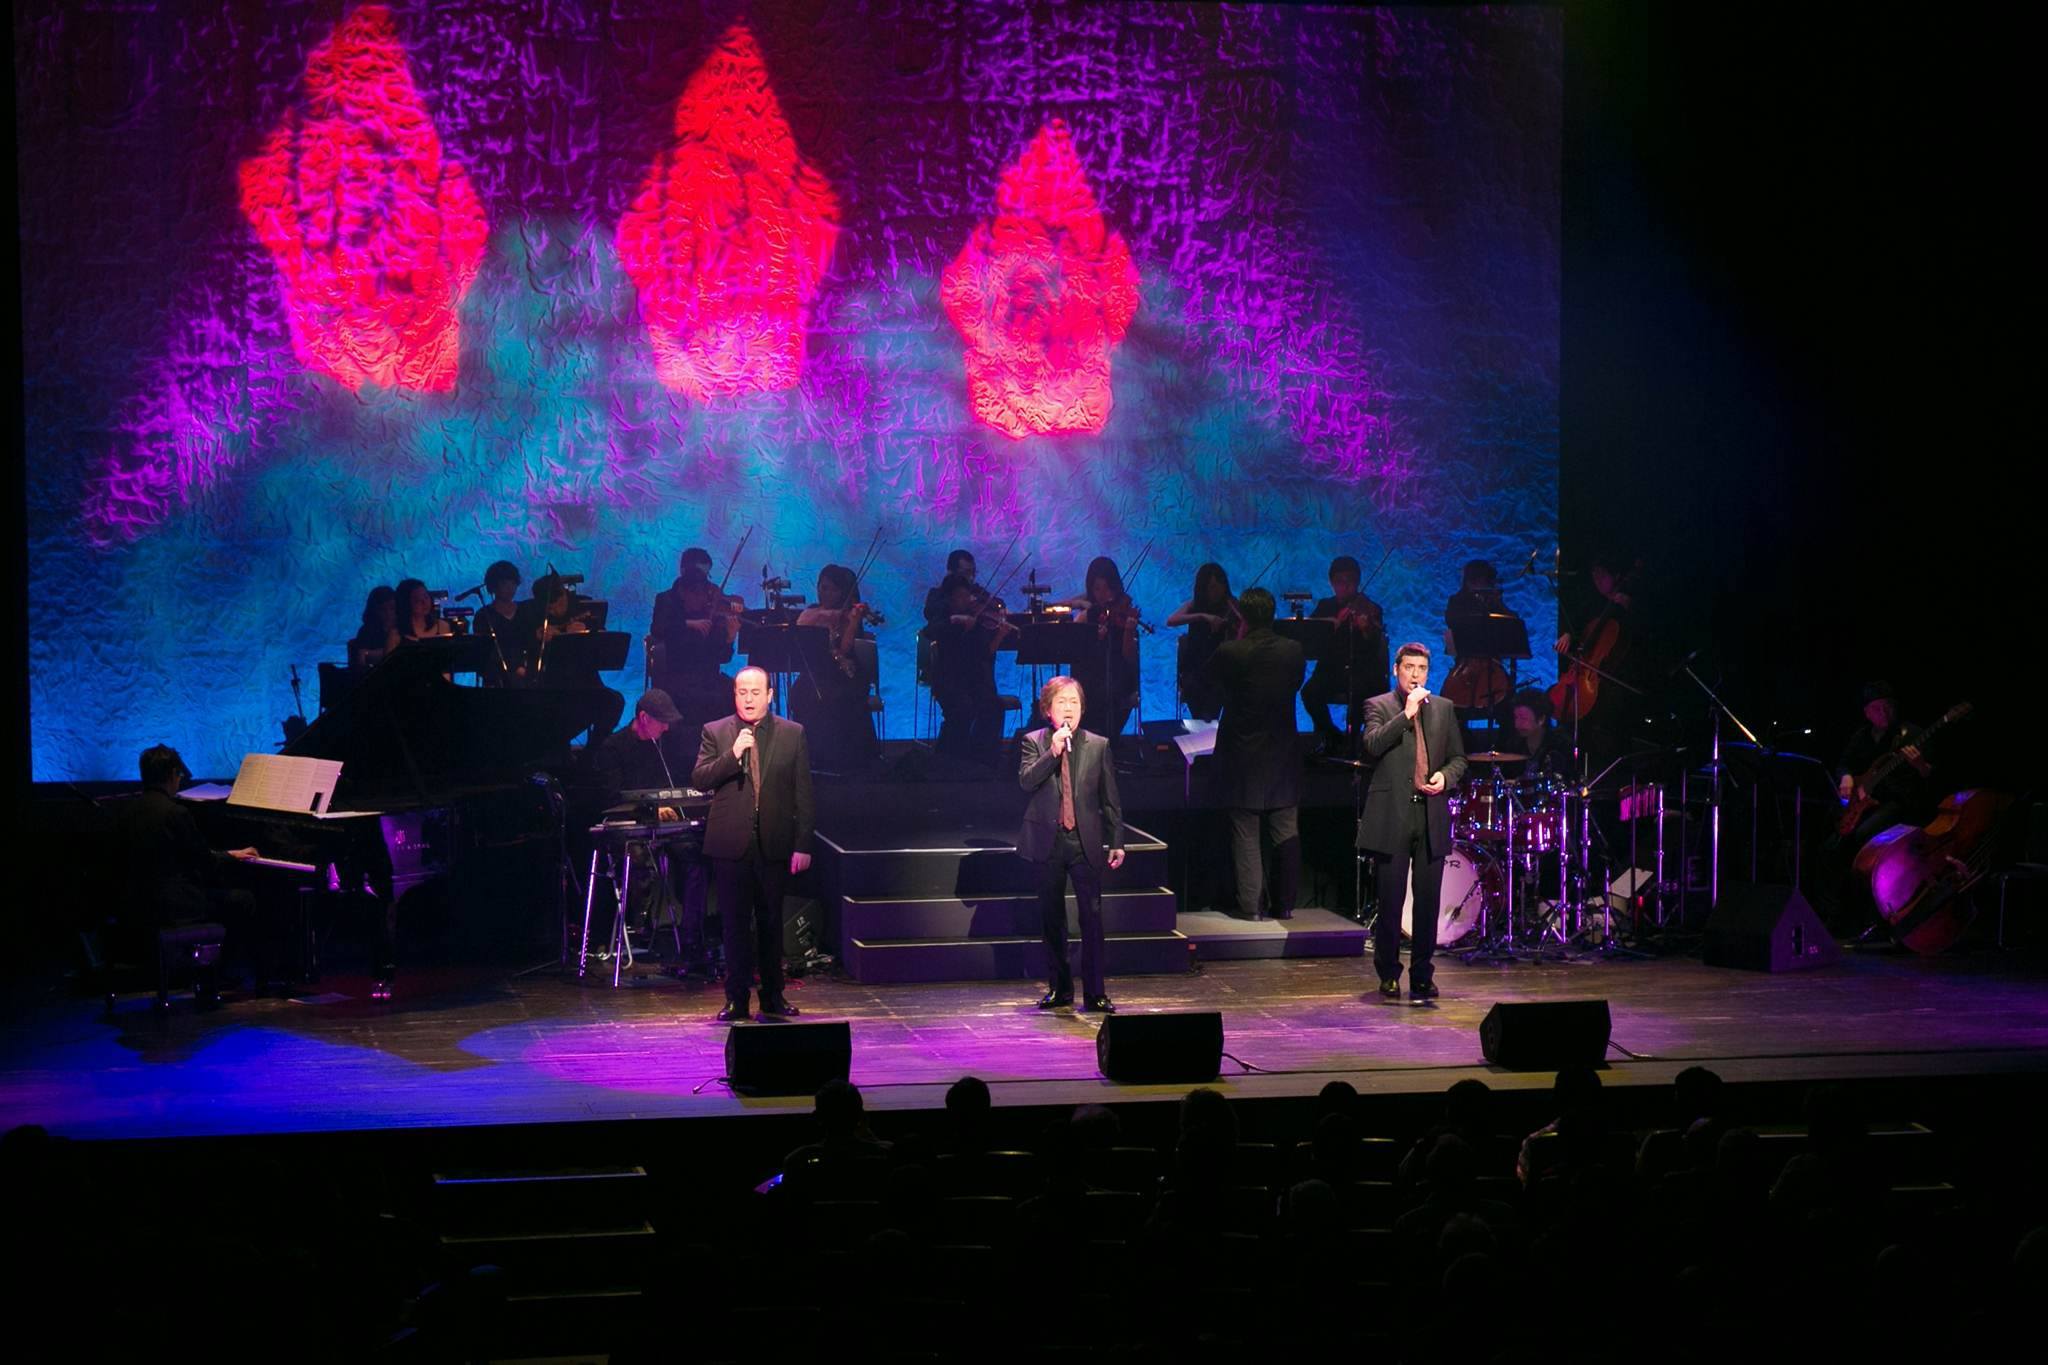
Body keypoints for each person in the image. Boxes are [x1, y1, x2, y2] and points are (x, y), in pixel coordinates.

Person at [693, 667, 814, 1022]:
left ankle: (773, 996)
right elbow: (700, 779)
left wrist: (803, 843)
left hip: (774, 842)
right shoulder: (715, 731)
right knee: (734, 925)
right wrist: (732, 755)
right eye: (742, 692)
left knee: (771, 923)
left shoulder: (793, 733)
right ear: (734, 695)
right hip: (731, 844)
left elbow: (804, 793)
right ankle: (736, 999)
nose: (748, 699)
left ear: (770, 695)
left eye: (755, 692)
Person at [106, 745, 265, 1003]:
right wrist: (230, 856)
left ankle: (207, 973)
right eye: (179, 775)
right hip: (171, 907)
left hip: (132, 905)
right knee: (243, 900)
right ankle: (217, 975)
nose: (179, 780)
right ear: (171, 774)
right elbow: (203, 862)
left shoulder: (125, 811)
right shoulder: (175, 813)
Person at [1356, 643, 1467, 1002]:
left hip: (1430, 813)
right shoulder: (1378, 705)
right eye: (1409, 667)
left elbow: (1459, 758)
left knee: (1428, 902)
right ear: (1396, 669)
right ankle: (1389, 973)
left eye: (1421, 668)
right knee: (1390, 900)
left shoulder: (1444, 708)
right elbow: (1372, 744)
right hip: (1393, 814)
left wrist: (1445, 778)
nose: (1415, 675)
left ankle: (1422, 975)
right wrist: (1406, 714)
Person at [1016, 676, 1126, 1013]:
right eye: (1062, 702)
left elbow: (1110, 798)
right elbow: (1026, 781)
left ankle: (1095, 992)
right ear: (1048, 710)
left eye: (1074, 702)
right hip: (1047, 842)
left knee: (1092, 918)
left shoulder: (1098, 745)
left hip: (1084, 840)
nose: (1069, 708)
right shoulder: (1034, 742)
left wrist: (1116, 840)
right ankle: (1060, 989)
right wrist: (1053, 752)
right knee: (1052, 918)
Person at [584, 689, 709, 970]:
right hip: (627, 827)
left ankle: (691, 936)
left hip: (660, 825)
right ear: (643, 718)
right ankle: (637, 927)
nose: (666, 728)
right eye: (661, 722)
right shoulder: (612, 749)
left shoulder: (660, 745)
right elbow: (613, 797)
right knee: (639, 859)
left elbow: (669, 786)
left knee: (694, 855)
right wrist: (651, 809)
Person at [1205, 587, 1306, 919]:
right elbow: (1294, 685)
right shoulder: (1293, 651)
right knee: (1285, 832)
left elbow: (1207, 688)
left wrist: (1236, 637)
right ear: (1273, 613)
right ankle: (1284, 905)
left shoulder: (1231, 651)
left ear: (1243, 617)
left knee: (1245, 833)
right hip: (1283, 755)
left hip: (1242, 756)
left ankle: (1251, 909)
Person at [794, 564, 881, 771]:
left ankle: (842, 758)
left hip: (844, 672)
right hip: (816, 672)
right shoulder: (811, 613)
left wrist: (852, 623)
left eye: (832, 589)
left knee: (840, 696)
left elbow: (844, 649)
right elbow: (802, 635)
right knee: (801, 692)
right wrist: (827, 617)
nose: (825, 593)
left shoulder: (849, 615)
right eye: (822, 588)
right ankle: (812, 755)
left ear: (842, 592)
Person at [1301, 555, 1388, 755]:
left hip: (1361, 670)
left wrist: (1365, 630)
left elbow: (1375, 646)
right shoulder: (1325, 605)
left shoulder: (1371, 607)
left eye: (1350, 581)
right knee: (1309, 692)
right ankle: (1332, 735)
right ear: (1332, 583)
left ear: (1357, 582)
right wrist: (1331, 625)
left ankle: (1354, 743)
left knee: (1360, 693)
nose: (1345, 586)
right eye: (1340, 581)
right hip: (1330, 670)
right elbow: (1312, 637)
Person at [650, 548, 742, 725]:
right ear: (684, 571)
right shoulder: (666, 600)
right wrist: (688, 623)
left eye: (707, 575)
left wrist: (730, 637)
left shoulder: (712, 604)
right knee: (704, 700)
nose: (705, 583)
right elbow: (658, 629)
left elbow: (722, 658)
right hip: (677, 676)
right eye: (700, 575)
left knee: (735, 696)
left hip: (709, 676)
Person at [929, 571, 1012, 766]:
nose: (967, 600)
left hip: (971, 681)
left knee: (993, 706)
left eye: (968, 596)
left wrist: (1000, 635)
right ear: (950, 599)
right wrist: (957, 621)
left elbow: (985, 653)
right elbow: (930, 631)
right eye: (961, 596)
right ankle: (950, 758)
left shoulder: (976, 623)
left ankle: (982, 757)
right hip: (949, 681)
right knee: (963, 708)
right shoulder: (943, 619)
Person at [1072, 556, 1142, 742]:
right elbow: (1075, 650)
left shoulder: (1123, 612)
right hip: (1092, 677)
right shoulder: (1088, 614)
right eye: (1097, 589)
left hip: (1119, 677)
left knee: (1111, 693)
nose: (1103, 595)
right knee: (1084, 692)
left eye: (1108, 588)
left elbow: (1129, 657)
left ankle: (1107, 743)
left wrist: (1128, 631)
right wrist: (1091, 636)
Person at [1169, 562, 1241, 722]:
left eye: (1219, 585)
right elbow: (1172, 620)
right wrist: (1202, 616)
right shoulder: (1195, 605)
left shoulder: (1231, 605)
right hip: (1196, 668)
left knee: (1214, 702)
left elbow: (1242, 629)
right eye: (1211, 587)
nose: (1217, 591)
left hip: (1220, 671)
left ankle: (1206, 731)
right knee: (1196, 695)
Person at [473, 560, 534, 685]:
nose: (510, 588)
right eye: (504, 584)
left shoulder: (525, 610)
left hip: (528, 676)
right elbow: (484, 652)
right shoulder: (483, 616)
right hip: (497, 679)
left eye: (513, 583)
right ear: (494, 586)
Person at [1508, 690, 1570, 780]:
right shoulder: (1514, 745)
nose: (1517, 724)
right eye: (1516, 717)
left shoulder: (1559, 744)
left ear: (1541, 719)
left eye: (1523, 718)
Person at [348, 586, 399, 669]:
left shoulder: (404, 628)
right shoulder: (366, 631)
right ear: (374, 611)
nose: (388, 613)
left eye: (392, 608)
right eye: (382, 609)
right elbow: (360, 660)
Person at [394, 578, 453, 643]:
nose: (424, 603)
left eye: (426, 597)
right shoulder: (396, 634)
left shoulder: (443, 627)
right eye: (417, 600)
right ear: (406, 603)